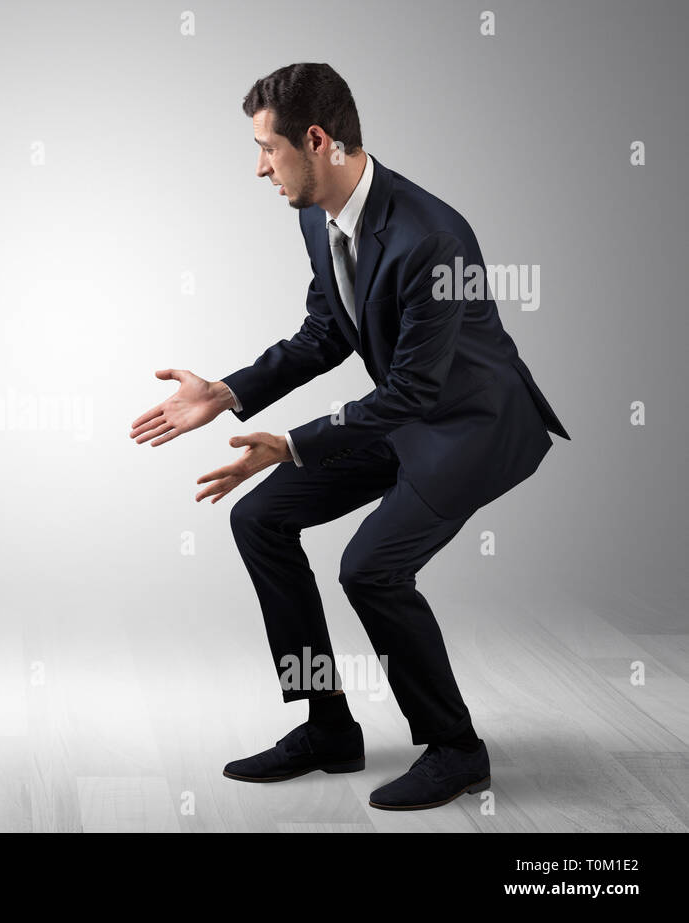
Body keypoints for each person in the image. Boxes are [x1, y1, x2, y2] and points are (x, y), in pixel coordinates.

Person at [129, 63, 569, 810]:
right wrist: (228, 393)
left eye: (268, 149)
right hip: (402, 414)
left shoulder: (434, 237)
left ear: (317, 140)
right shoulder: (316, 211)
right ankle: (328, 726)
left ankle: (457, 747)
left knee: (370, 569)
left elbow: (416, 390)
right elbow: (327, 331)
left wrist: (294, 443)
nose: (258, 168)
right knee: (260, 518)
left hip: (473, 427)